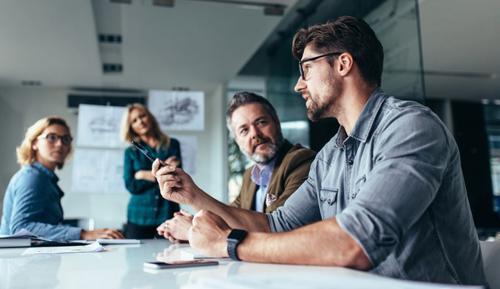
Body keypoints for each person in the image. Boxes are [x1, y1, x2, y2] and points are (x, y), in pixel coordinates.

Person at [153, 16, 487, 285]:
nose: (299, 84)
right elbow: (276, 225)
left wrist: (229, 244)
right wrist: (193, 195)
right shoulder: (330, 155)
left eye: (306, 69)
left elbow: (356, 241)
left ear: (343, 64)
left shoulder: (411, 128)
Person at [156, 92, 316, 241]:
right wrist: (195, 222)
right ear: (238, 141)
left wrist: (192, 228)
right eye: (244, 130)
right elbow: (231, 217)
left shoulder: (301, 161)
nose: (254, 134)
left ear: (277, 123)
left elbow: (276, 229)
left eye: (261, 122)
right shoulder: (250, 175)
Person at [0, 116, 124, 241]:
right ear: (34, 143)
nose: (60, 144)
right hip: (18, 259)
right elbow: (21, 228)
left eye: (65, 139)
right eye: (51, 137)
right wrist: (83, 234)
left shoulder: (45, 179)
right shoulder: (32, 177)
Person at [121, 103, 181, 239]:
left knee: (170, 256)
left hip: (167, 213)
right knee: (134, 259)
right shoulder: (130, 152)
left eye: (142, 116)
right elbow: (131, 185)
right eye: (134, 121)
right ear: (131, 127)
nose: (140, 122)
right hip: (139, 216)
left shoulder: (172, 145)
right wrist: (160, 174)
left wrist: (142, 174)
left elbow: (175, 179)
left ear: (150, 117)